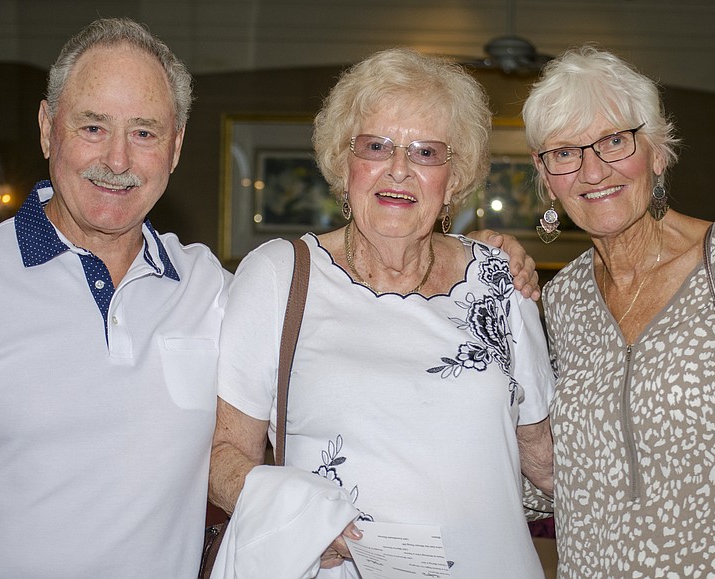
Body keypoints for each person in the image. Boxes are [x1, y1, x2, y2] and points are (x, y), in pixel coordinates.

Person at [209, 47, 555, 578]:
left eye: (425, 153)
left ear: (454, 176)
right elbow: (224, 451)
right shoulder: (281, 276)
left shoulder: (498, 279)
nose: (399, 170)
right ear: (343, 161)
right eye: (376, 146)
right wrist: (295, 519)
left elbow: (545, 459)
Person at [0, 18, 231, 578]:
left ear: (176, 145)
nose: (117, 161)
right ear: (48, 128)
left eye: (144, 132)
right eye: (93, 127)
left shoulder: (207, 287)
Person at [523, 45, 715, 577]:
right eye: (565, 152)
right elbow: (554, 486)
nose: (593, 172)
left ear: (658, 152)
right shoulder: (563, 299)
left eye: (615, 141)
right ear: (546, 175)